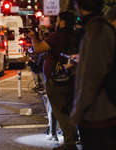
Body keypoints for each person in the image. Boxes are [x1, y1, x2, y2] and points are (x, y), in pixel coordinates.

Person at [27, 11, 78, 150]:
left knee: (60, 111)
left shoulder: (57, 36)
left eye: (57, 21)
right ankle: (73, 137)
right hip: (70, 77)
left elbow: (38, 49)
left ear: (62, 23)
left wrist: (33, 37)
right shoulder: (74, 36)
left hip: (56, 79)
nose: (55, 23)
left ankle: (69, 143)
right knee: (68, 109)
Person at [70, 0, 116, 150]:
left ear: (79, 6)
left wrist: (78, 111)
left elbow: (94, 77)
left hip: (97, 114)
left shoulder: (96, 31)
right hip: (102, 112)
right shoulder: (101, 27)